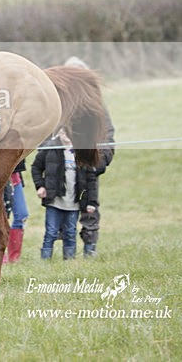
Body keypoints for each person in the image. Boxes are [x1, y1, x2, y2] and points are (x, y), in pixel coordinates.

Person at [63, 56, 114, 257]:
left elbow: (108, 135)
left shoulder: (98, 107)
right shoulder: (59, 107)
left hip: (88, 168)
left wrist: (98, 163)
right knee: (62, 210)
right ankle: (65, 250)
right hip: (63, 169)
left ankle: (89, 249)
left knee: (89, 207)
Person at [32, 129, 97, 260]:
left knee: (70, 233)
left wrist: (91, 202)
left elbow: (91, 180)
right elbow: (36, 168)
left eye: (69, 131)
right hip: (54, 201)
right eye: (63, 131)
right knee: (50, 232)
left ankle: (69, 261)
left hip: (74, 203)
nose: (65, 135)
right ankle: (45, 261)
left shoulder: (82, 152)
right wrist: (40, 186)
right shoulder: (50, 148)